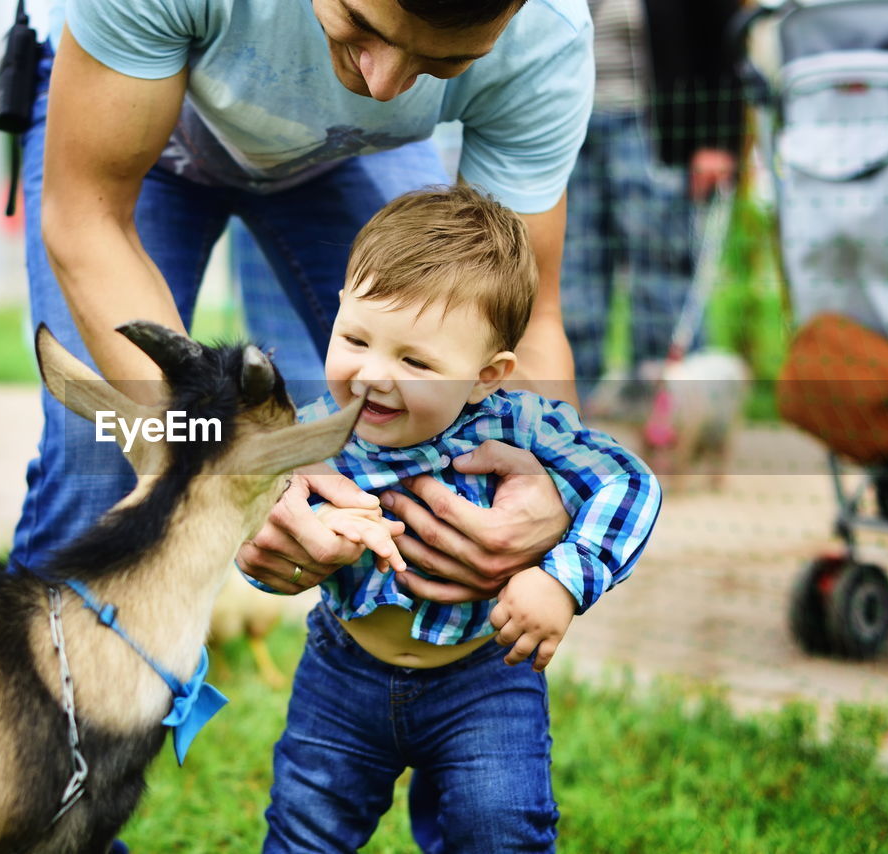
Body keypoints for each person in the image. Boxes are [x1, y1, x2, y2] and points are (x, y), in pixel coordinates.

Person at [11, 0, 597, 602]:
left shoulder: (544, 38)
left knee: (439, 384)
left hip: (348, 150)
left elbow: (517, 328)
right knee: (103, 448)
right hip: (138, 118)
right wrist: (227, 465)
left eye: (442, 62)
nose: (384, 87)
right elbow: (88, 220)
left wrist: (549, 481)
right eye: (362, 24)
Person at [262, 185, 661, 852]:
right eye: (355, 338)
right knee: (305, 826)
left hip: (485, 677)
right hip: (343, 671)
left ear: (486, 376)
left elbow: (628, 484)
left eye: (414, 360)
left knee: (501, 827)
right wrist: (284, 523)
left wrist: (562, 579)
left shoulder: (519, 425)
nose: (372, 375)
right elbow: (259, 509)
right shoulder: (314, 437)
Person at [561, 0, 745, 400]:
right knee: (570, 277)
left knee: (662, 279)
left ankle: (670, 417)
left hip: (653, 127)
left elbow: (725, 40)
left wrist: (718, 139)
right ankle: (570, 413)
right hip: (567, 127)